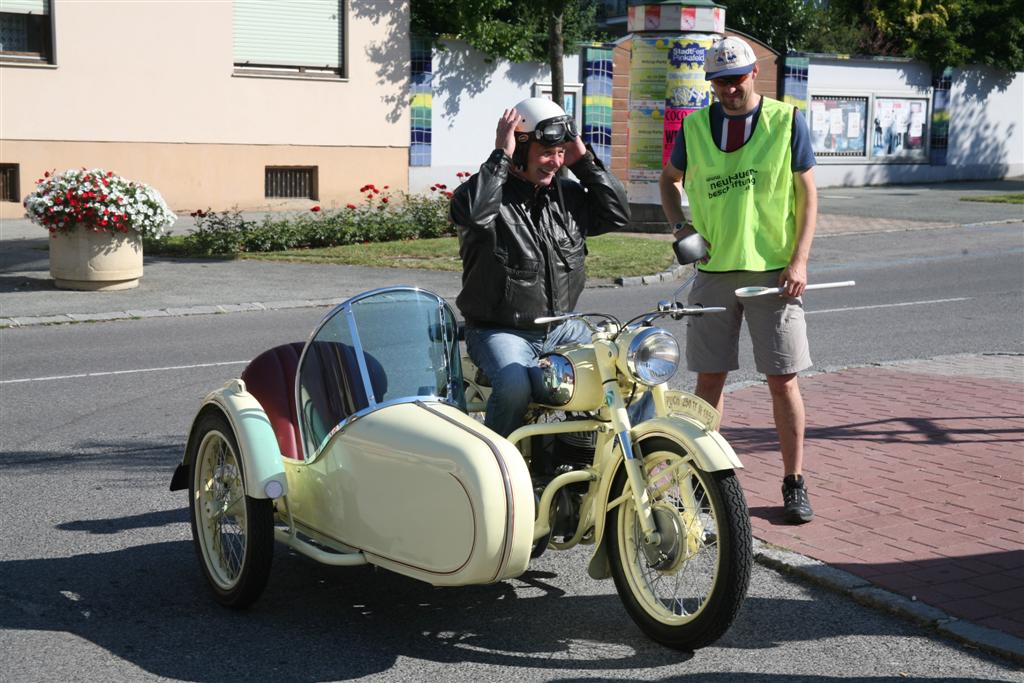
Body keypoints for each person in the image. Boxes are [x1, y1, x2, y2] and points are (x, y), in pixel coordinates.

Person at [658, 36, 819, 524]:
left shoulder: (786, 120)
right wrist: (680, 227)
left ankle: (794, 482)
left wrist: (800, 261)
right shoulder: (695, 127)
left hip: (773, 271)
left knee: (783, 379)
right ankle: (704, 483)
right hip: (713, 271)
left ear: (754, 75)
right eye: (719, 81)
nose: (728, 89)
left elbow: (808, 196)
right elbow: (670, 180)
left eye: (736, 79)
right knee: (708, 381)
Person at [450, 97, 632, 438]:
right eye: (547, 152)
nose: (556, 162)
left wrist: (583, 160)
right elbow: (475, 217)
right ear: (519, 148)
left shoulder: (568, 197)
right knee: (516, 386)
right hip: (500, 331)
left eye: (561, 152)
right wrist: (500, 156)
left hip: (563, 328)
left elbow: (618, 214)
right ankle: (499, 468)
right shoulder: (484, 196)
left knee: (627, 371)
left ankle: (610, 466)